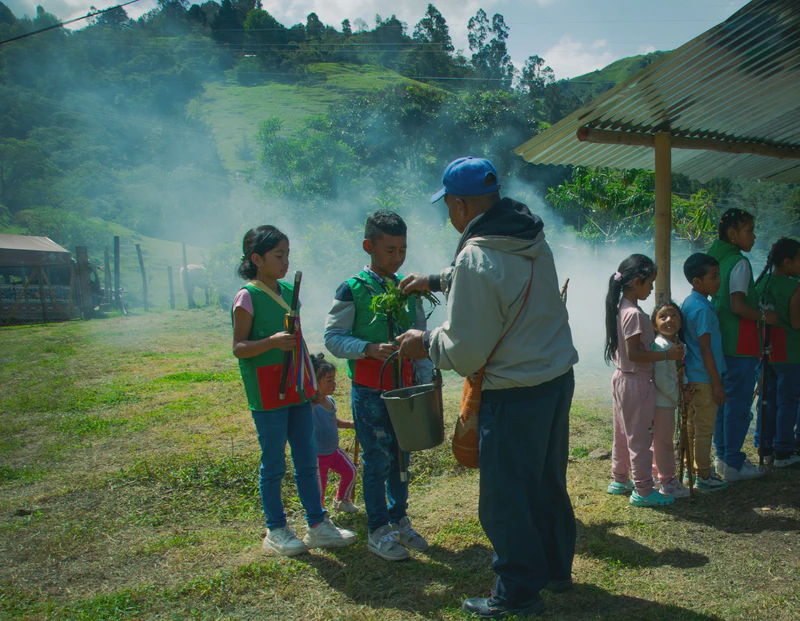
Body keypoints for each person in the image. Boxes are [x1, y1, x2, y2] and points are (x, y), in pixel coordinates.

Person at [397, 156, 579, 619]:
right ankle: (555, 569)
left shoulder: (477, 256)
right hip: (555, 380)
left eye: (448, 205)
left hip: (514, 391)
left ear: (459, 204)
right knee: (545, 482)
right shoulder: (527, 235)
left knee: (505, 498)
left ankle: (516, 592)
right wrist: (438, 279)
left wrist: (425, 343)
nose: (448, 213)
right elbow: (505, 281)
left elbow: (465, 352)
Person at [232, 225, 356, 557]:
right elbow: (239, 347)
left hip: (298, 387)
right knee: (273, 462)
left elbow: (299, 342)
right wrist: (271, 342)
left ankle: (317, 524)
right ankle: (276, 530)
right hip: (267, 387)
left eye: (287, 254)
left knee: (306, 458)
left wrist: (311, 382)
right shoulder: (248, 296)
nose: (285, 261)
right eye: (278, 255)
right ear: (257, 259)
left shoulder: (289, 291)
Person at [323, 210, 432, 562]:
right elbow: (333, 338)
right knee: (376, 458)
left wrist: (426, 376)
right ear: (369, 246)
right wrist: (367, 349)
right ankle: (378, 529)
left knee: (402, 454)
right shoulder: (352, 289)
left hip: (407, 388)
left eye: (402, 249)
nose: (397, 257)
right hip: (371, 390)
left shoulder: (408, 289)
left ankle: (399, 517)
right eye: (389, 249)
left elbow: (420, 337)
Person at [604, 254, 683, 508]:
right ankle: (644, 490)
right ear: (636, 282)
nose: (651, 289)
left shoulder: (622, 308)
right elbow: (634, 353)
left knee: (622, 433)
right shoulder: (635, 314)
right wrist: (665, 355)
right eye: (649, 284)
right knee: (640, 438)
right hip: (636, 382)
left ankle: (619, 478)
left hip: (622, 378)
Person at [707, 209, 778, 481]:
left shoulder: (718, 258)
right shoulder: (739, 262)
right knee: (736, 406)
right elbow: (737, 305)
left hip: (722, 342)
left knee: (723, 402)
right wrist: (765, 316)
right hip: (741, 344)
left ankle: (723, 457)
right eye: (749, 230)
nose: (754, 235)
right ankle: (733, 463)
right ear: (733, 235)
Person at [680, 253, 729, 491]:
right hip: (705, 379)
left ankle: (691, 471)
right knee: (704, 430)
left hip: (692, 376)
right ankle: (705, 476)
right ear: (697, 281)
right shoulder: (703, 310)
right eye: (714, 276)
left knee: (691, 426)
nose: (719, 280)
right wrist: (717, 383)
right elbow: (706, 349)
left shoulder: (689, 303)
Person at [754, 237, 800, 468]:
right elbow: (796, 322)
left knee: (767, 399)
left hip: (766, 348)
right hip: (791, 351)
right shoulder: (794, 286)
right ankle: (784, 450)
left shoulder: (761, 283)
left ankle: (765, 446)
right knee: (788, 401)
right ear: (787, 262)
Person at [650, 302, 691, 498]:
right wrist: (679, 395)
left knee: (662, 440)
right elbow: (661, 379)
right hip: (662, 402)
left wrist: (685, 387)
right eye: (663, 316)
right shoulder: (659, 346)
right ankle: (666, 480)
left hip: (670, 401)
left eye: (674, 316)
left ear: (681, 322)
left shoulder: (679, 346)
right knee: (663, 441)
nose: (669, 320)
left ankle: (659, 475)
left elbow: (681, 372)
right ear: (654, 324)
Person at [311, 353, 360, 513]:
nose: (335, 384)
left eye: (334, 379)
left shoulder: (329, 401)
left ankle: (341, 500)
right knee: (319, 487)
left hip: (334, 451)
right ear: (315, 383)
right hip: (318, 457)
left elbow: (335, 422)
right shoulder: (311, 406)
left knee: (350, 471)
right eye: (329, 380)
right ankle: (319, 513)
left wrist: (353, 425)